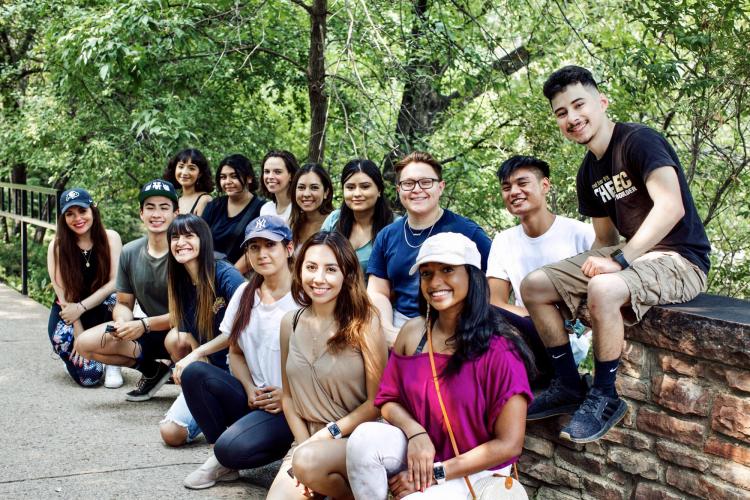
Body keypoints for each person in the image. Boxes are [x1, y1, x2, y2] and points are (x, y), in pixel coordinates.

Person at [521, 65, 711, 443]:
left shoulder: (639, 142)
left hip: (681, 259)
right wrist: (571, 289)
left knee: (605, 289)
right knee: (535, 285)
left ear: (602, 102)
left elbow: (670, 207)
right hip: (636, 258)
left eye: (579, 105)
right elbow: (604, 238)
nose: (572, 118)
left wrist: (620, 262)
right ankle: (568, 385)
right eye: (562, 113)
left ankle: (605, 396)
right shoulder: (588, 171)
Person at [346, 232, 534, 499]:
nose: (435, 282)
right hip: (424, 451)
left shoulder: (501, 350)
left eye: (447, 270)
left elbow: (509, 445)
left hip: (477, 472)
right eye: (426, 273)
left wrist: (435, 474)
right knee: (364, 438)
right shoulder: (413, 333)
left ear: (472, 276)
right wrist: (415, 433)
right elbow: (387, 399)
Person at [266, 231, 387, 500]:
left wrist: (323, 438)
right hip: (306, 442)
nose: (318, 278)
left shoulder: (364, 322)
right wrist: (302, 446)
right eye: (311, 267)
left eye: (331, 269)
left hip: (353, 440)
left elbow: (377, 402)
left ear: (347, 274)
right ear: (299, 271)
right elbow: (288, 397)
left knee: (308, 462)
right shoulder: (290, 322)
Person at [181, 215, 297, 489]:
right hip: (255, 398)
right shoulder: (246, 292)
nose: (262, 253)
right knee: (195, 372)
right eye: (254, 247)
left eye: (270, 245)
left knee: (230, 450)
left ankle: (229, 455)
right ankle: (222, 453)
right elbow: (235, 352)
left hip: (290, 407)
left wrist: (287, 396)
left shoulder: (304, 296)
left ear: (289, 249)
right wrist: (247, 388)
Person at [487, 155, 595, 385]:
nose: (514, 192)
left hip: (570, 337)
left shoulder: (581, 233)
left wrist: (562, 325)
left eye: (522, 183)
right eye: (507, 187)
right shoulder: (503, 240)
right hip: (520, 332)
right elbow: (495, 302)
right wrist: (538, 319)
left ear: (545, 185)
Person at [367, 151, 492, 346]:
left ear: (441, 187)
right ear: (399, 189)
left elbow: (492, 280)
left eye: (426, 182)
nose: (417, 189)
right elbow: (377, 291)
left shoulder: (467, 231)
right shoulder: (387, 235)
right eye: (408, 184)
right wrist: (387, 330)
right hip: (399, 325)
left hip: (454, 327)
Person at [75, 179, 179, 402]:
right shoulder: (131, 252)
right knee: (84, 343)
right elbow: (123, 302)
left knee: (176, 339)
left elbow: (188, 313)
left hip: (182, 331)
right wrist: (123, 323)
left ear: (176, 213)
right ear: (141, 213)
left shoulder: (184, 251)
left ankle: (191, 389)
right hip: (148, 330)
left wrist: (142, 325)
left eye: (164, 207)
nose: (156, 214)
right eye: (150, 207)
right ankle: (152, 371)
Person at [158, 214, 246, 447]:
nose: (181, 242)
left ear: (203, 239)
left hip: (239, 371)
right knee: (171, 433)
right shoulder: (180, 282)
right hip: (212, 370)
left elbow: (242, 327)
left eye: (189, 235)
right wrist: (200, 357)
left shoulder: (225, 274)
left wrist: (195, 357)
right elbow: (190, 335)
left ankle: (230, 421)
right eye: (175, 237)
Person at [46, 188, 123, 388]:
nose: (77, 218)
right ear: (63, 218)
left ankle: (113, 359)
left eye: (82, 211)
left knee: (118, 298)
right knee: (90, 378)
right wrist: (79, 334)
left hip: (102, 307)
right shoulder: (58, 245)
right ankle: (80, 358)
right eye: (70, 214)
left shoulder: (111, 238)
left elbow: (115, 282)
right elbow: (63, 295)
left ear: (93, 210)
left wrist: (82, 307)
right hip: (69, 312)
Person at [322, 158, 396, 276]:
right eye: (350, 187)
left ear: (379, 190)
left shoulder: (395, 225)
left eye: (365, 187)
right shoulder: (334, 220)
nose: (357, 194)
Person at [201, 154, 265, 273]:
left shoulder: (261, 209)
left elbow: (257, 248)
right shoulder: (214, 206)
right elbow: (199, 238)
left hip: (239, 278)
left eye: (234, 176)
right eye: (223, 177)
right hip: (208, 273)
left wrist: (228, 276)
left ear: (249, 178)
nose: (228, 182)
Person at [289, 163, 334, 250]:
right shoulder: (293, 223)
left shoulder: (335, 223)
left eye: (314, 187)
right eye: (301, 187)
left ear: (326, 192)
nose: (306, 194)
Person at [163, 148, 214, 216]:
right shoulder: (176, 200)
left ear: (200, 174)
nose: (184, 172)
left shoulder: (204, 200)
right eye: (181, 167)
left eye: (191, 168)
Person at [259, 150, 300, 224]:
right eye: (267, 171)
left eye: (277, 172)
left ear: (291, 175)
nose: (270, 176)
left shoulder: (300, 209)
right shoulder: (265, 209)